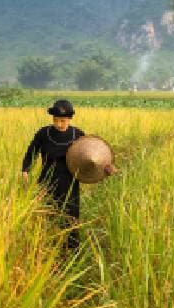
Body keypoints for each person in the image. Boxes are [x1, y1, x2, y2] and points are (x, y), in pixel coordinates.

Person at [21, 100, 116, 250]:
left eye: (63, 121)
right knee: (47, 218)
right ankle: (47, 251)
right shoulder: (43, 133)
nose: (59, 124)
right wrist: (26, 170)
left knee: (71, 219)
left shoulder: (78, 135)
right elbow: (31, 153)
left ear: (70, 119)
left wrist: (106, 168)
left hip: (70, 184)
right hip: (47, 183)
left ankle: (72, 252)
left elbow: (90, 157)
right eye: (56, 120)